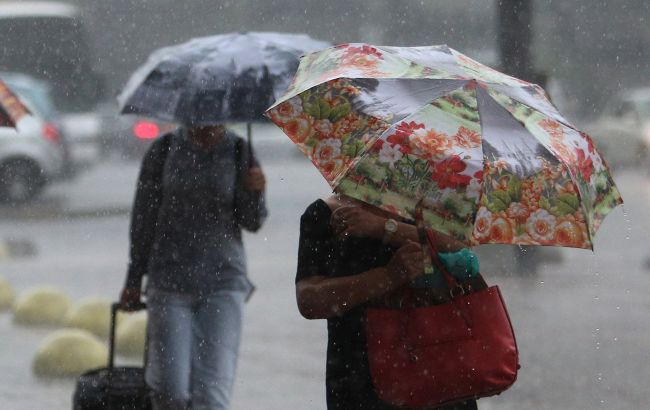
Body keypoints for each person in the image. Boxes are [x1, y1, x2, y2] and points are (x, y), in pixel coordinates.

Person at [119, 123, 267, 410]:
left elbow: (252, 221)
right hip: (169, 281)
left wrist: (255, 192)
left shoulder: (239, 150)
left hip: (224, 282)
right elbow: (143, 219)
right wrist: (134, 278)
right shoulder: (163, 150)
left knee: (212, 397)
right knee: (170, 392)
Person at [296, 193, 480, 410]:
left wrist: (383, 227)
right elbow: (309, 300)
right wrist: (388, 276)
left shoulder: (439, 207)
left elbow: (463, 254)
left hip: (441, 369)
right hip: (361, 376)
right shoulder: (329, 215)